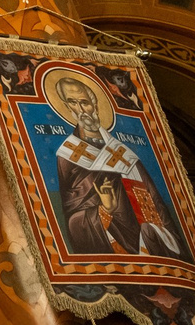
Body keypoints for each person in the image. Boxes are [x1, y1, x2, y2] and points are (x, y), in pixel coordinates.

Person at [45, 68, 184, 259]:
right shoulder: (68, 155)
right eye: (73, 103)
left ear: (95, 104)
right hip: (112, 243)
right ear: (66, 107)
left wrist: (159, 234)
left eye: (85, 102)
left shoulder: (123, 152)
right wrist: (104, 210)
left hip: (147, 240)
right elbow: (73, 215)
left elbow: (155, 202)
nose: (81, 110)